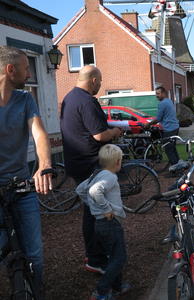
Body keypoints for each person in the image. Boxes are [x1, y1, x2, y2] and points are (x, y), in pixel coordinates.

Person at [0, 46, 53, 294]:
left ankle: (37, 291)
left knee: (34, 254)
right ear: (11, 70)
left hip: (21, 185)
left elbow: (39, 132)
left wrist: (44, 165)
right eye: (26, 67)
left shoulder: (25, 99)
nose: (29, 73)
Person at [60, 65, 122, 274]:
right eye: (100, 81)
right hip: (89, 163)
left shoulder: (70, 98)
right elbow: (99, 135)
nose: (101, 85)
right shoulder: (87, 101)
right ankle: (96, 259)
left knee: (89, 210)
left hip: (75, 162)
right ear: (93, 80)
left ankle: (93, 254)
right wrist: (114, 131)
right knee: (95, 212)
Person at [76, 144, 130, 300]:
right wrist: (105, 208)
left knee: (113, 256)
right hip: (110, 223)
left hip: (99, 224)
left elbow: (80, 189)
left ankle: (117, 286)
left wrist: (93, 205)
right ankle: (102, 291)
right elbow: (94, 191)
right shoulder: (110, 177)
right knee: (119, 258)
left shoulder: (97, 173)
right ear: (117, 162)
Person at [145, 86, 185, 172]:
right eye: (156, 94)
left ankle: (176, 169)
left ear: (163, 93)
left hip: (169, 129)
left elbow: (158, 118)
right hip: (175, 127)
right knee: (172, 148)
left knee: (168, 149)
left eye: (158, 93)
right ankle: (179, 165)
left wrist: (148, 124)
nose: (157, 95)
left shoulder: (162, 103)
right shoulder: (169, 101)